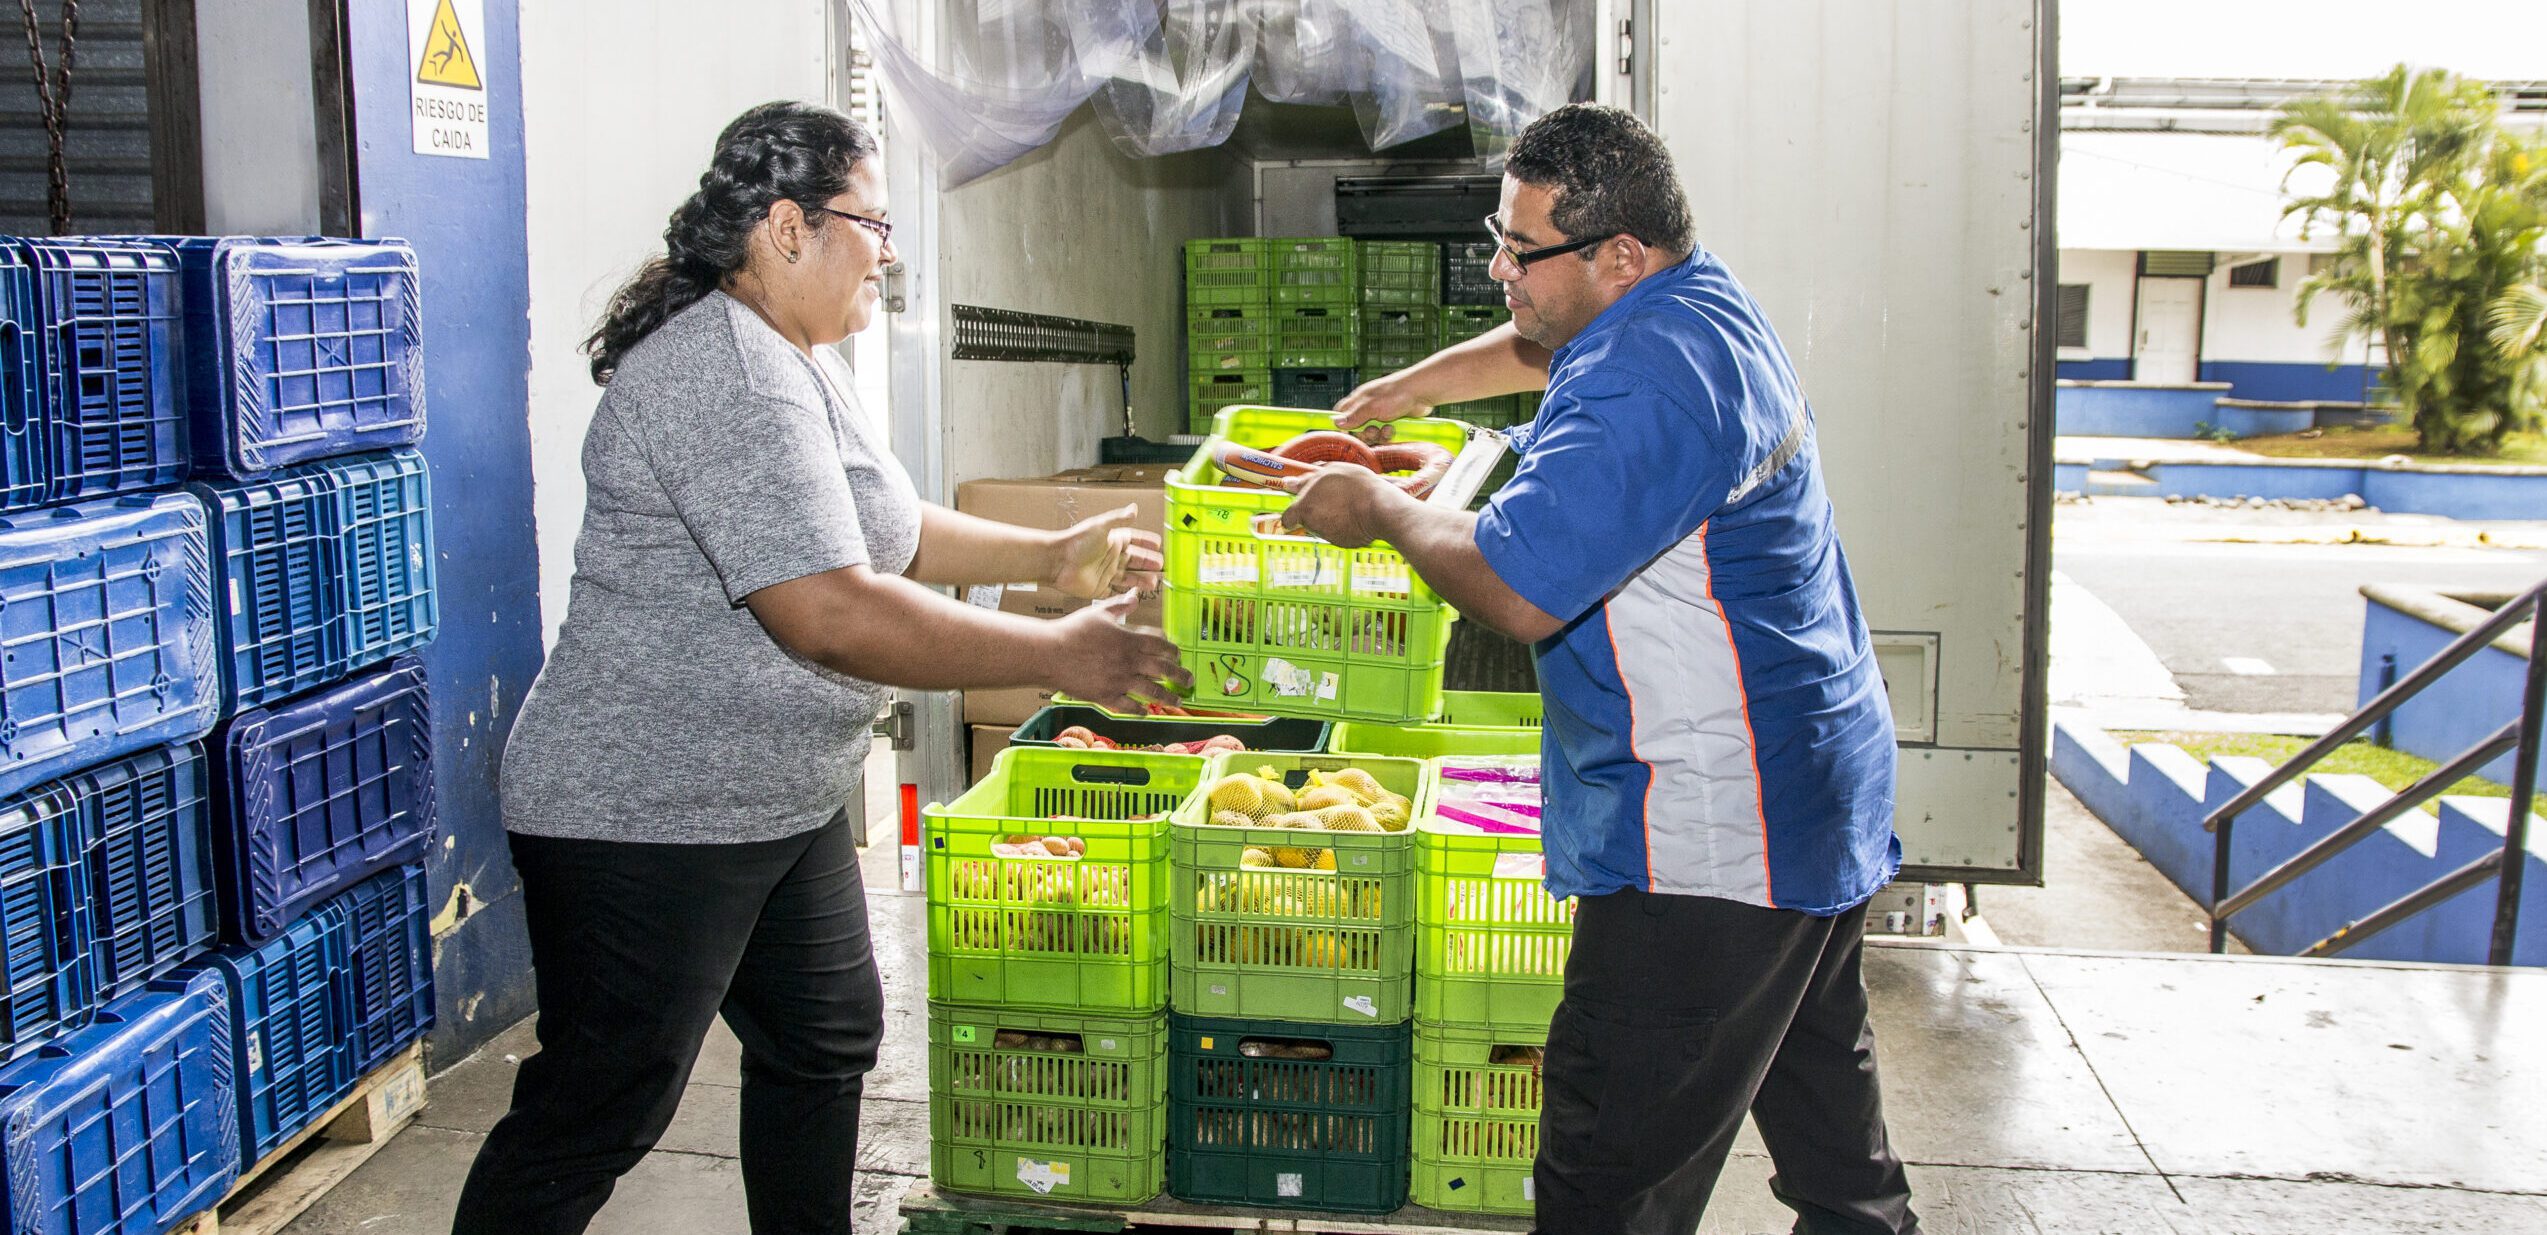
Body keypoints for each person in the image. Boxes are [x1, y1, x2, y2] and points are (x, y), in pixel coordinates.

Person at [453, 101, 1192, 1235]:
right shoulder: (726, 373)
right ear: (788, 229)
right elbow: (831, 612)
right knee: (599, 1103)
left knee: (826, 1036)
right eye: (874, 223)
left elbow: (883, 535)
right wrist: (1060, 650)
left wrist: (1052, 553)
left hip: (772, 799)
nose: (886, 254)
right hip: (648, 809)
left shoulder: (789, 354)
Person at [1289, 103, 1921, 1235]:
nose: (1500, 270)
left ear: (1620, 253)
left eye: (1520, 250)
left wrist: (1381, 505)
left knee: (1607, 1177)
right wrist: (1411, 392)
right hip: (1809, 789)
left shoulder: (1654, 377)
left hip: (1716, 836)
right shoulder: (1688, 300)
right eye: (1502, 233)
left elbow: (1517, 584)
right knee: (1832, 1138)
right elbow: (1546, 334)